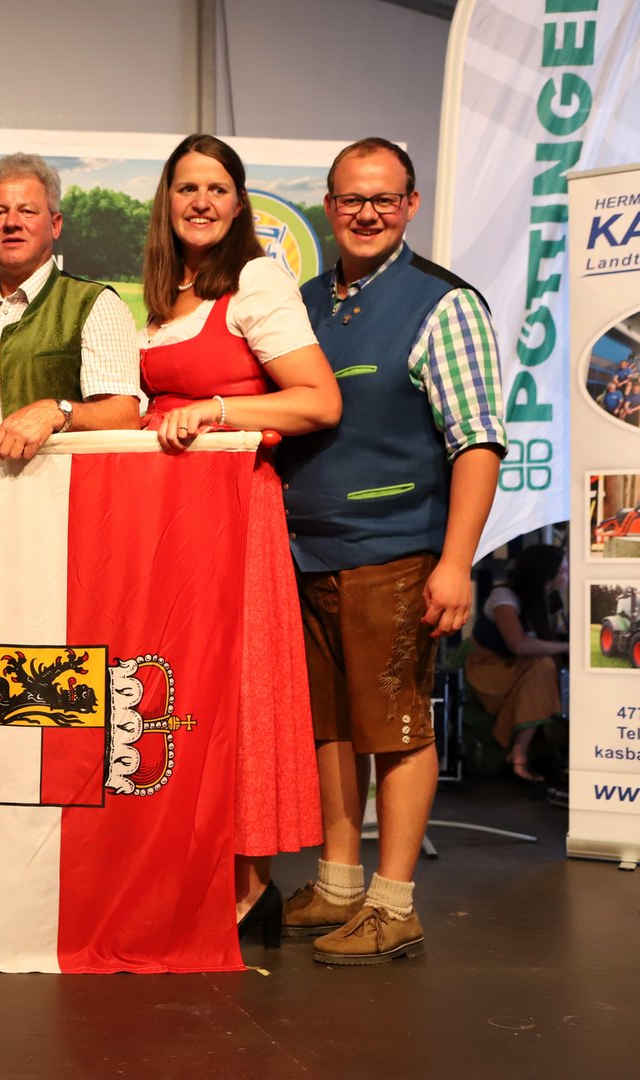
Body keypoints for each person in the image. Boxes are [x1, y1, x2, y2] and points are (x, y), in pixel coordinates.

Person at [277, 137, 505, 964]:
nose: (367, 213)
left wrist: (456, 562)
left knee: (396, 726)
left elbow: (478, 441)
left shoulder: (444, 303)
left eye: (384, 198)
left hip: (397, 551)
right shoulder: (303, 302)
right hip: (308, 552)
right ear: (328, 207)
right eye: (351, 199)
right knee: (332, 728)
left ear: (411, 205)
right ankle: (339, 885)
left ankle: (394, 904)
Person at [137, 134, 340, 947]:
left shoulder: (256, 280)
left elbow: (318, 400)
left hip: (236, 512)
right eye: (188, 188)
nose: (202, 202)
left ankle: (251, 884)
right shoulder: (162, 295)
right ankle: (192, 868)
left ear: (239, 201)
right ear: (167, 201)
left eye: (217, 188)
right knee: (182, 695)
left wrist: (218, 410)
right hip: (170, 520)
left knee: (241, 687)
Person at [0, 152, 142, 455]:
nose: (11, 223)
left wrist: (56, 411)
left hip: (52, 485)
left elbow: (125, 417)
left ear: (55, 225)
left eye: (27, 211)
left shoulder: (96, 304)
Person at [465, 544, 568, 785]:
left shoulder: (550, 600)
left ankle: (531, 751)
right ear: (547, 577)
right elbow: (519, 645)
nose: (568, 575)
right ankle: (519, 755)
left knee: (546, 668)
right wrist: (565, 647)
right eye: (564, 570)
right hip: (487, 668)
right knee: (544, 667)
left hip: (517, 665)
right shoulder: (504, 598)